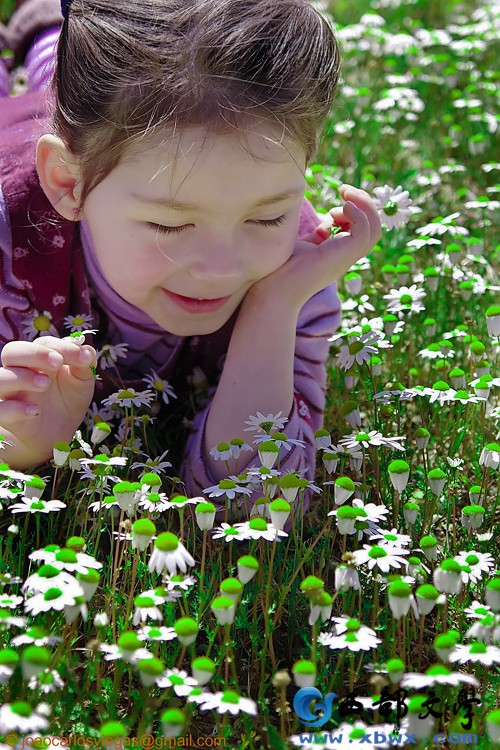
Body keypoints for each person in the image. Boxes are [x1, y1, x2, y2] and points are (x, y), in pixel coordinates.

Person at [0, 0, 381, 520]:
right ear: (70, 184)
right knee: (46, 88)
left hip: (97, 132)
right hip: (18, 139)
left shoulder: (296, 267)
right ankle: (48, 24)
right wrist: (21, 450)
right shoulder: (9, 243)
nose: (220, 269)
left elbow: (259, 506)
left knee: (64, 87)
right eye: (170, 225)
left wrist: (274, 306)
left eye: (266, 217)